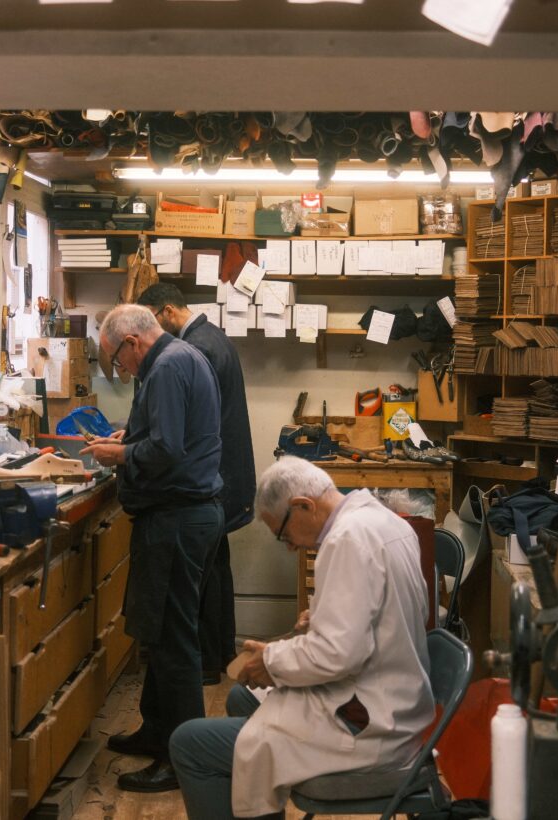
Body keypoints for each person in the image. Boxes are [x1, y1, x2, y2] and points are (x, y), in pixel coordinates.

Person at [168, 456, 435, 819]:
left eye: (283, 535)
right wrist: (327, 615)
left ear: (303, 506)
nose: (291, 547)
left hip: (371, 727)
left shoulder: (345, 540)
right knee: (241, 697)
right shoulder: (384, 520)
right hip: (400, 703)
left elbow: (339, 655)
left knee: (188, 743)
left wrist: (272, 661)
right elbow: (396, 612)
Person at [83, 304, 225, 793]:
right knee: (162, 635)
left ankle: (181, 759)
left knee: (174, 642)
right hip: (188, 516)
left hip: (178, 519)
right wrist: (133, 434)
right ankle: (156, 732)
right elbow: (172, 435)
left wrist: (117, 452)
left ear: (133, 342)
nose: (121, 370)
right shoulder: (183, 355)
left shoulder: (164, 366)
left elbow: (167, 451)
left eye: (118, 361)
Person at [136, 283, 256, 684]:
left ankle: (206, 662)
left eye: (150, 321)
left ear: (167, 311)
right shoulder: (210, 337)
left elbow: (182, 432)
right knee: (214, 571)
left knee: (201, 581)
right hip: (222, 478)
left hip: (210, 480)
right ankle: (217, 654)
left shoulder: (193, 350)